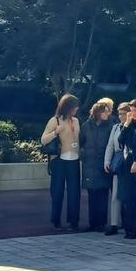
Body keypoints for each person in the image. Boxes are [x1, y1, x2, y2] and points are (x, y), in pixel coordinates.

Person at [41, 94, 82, 232]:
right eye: (74, 106)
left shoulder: (76, 121)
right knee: (57, 191)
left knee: (74, 193)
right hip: (59, 160)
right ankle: (56, 220)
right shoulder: (55, 120)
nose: (76, 109)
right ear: (67, 107)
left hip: (74, 160)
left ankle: (73, 221)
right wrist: (55, 132)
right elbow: (43, 140)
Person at [80, 99, 115, 232]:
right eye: (104, 112)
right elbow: (81, 141)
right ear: (98, 112)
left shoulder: (110, 125)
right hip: (89, 164)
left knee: (103, 194)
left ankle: (101, 222)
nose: (107, 114)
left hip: (103, 164)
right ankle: (93, 223)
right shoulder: (86, 125)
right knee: (92, 195)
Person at [117, 99, 136, 239]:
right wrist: (127, 124)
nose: (133, 113)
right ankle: (128, 227)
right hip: (126, 163)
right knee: (127, 197)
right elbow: (120, 141)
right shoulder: (130, 125)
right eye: (131, 111)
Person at [103, 102, 131, 236]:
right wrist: (107, 161)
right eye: (120, 114)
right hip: (118, 162)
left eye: (124, 114)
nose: (121, 116)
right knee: (115, 194)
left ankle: (128, 223)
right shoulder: (115, 128)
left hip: (129, 162)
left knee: (128, 194)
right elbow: (110, 146)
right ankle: (114, 223)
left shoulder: (133, 126)